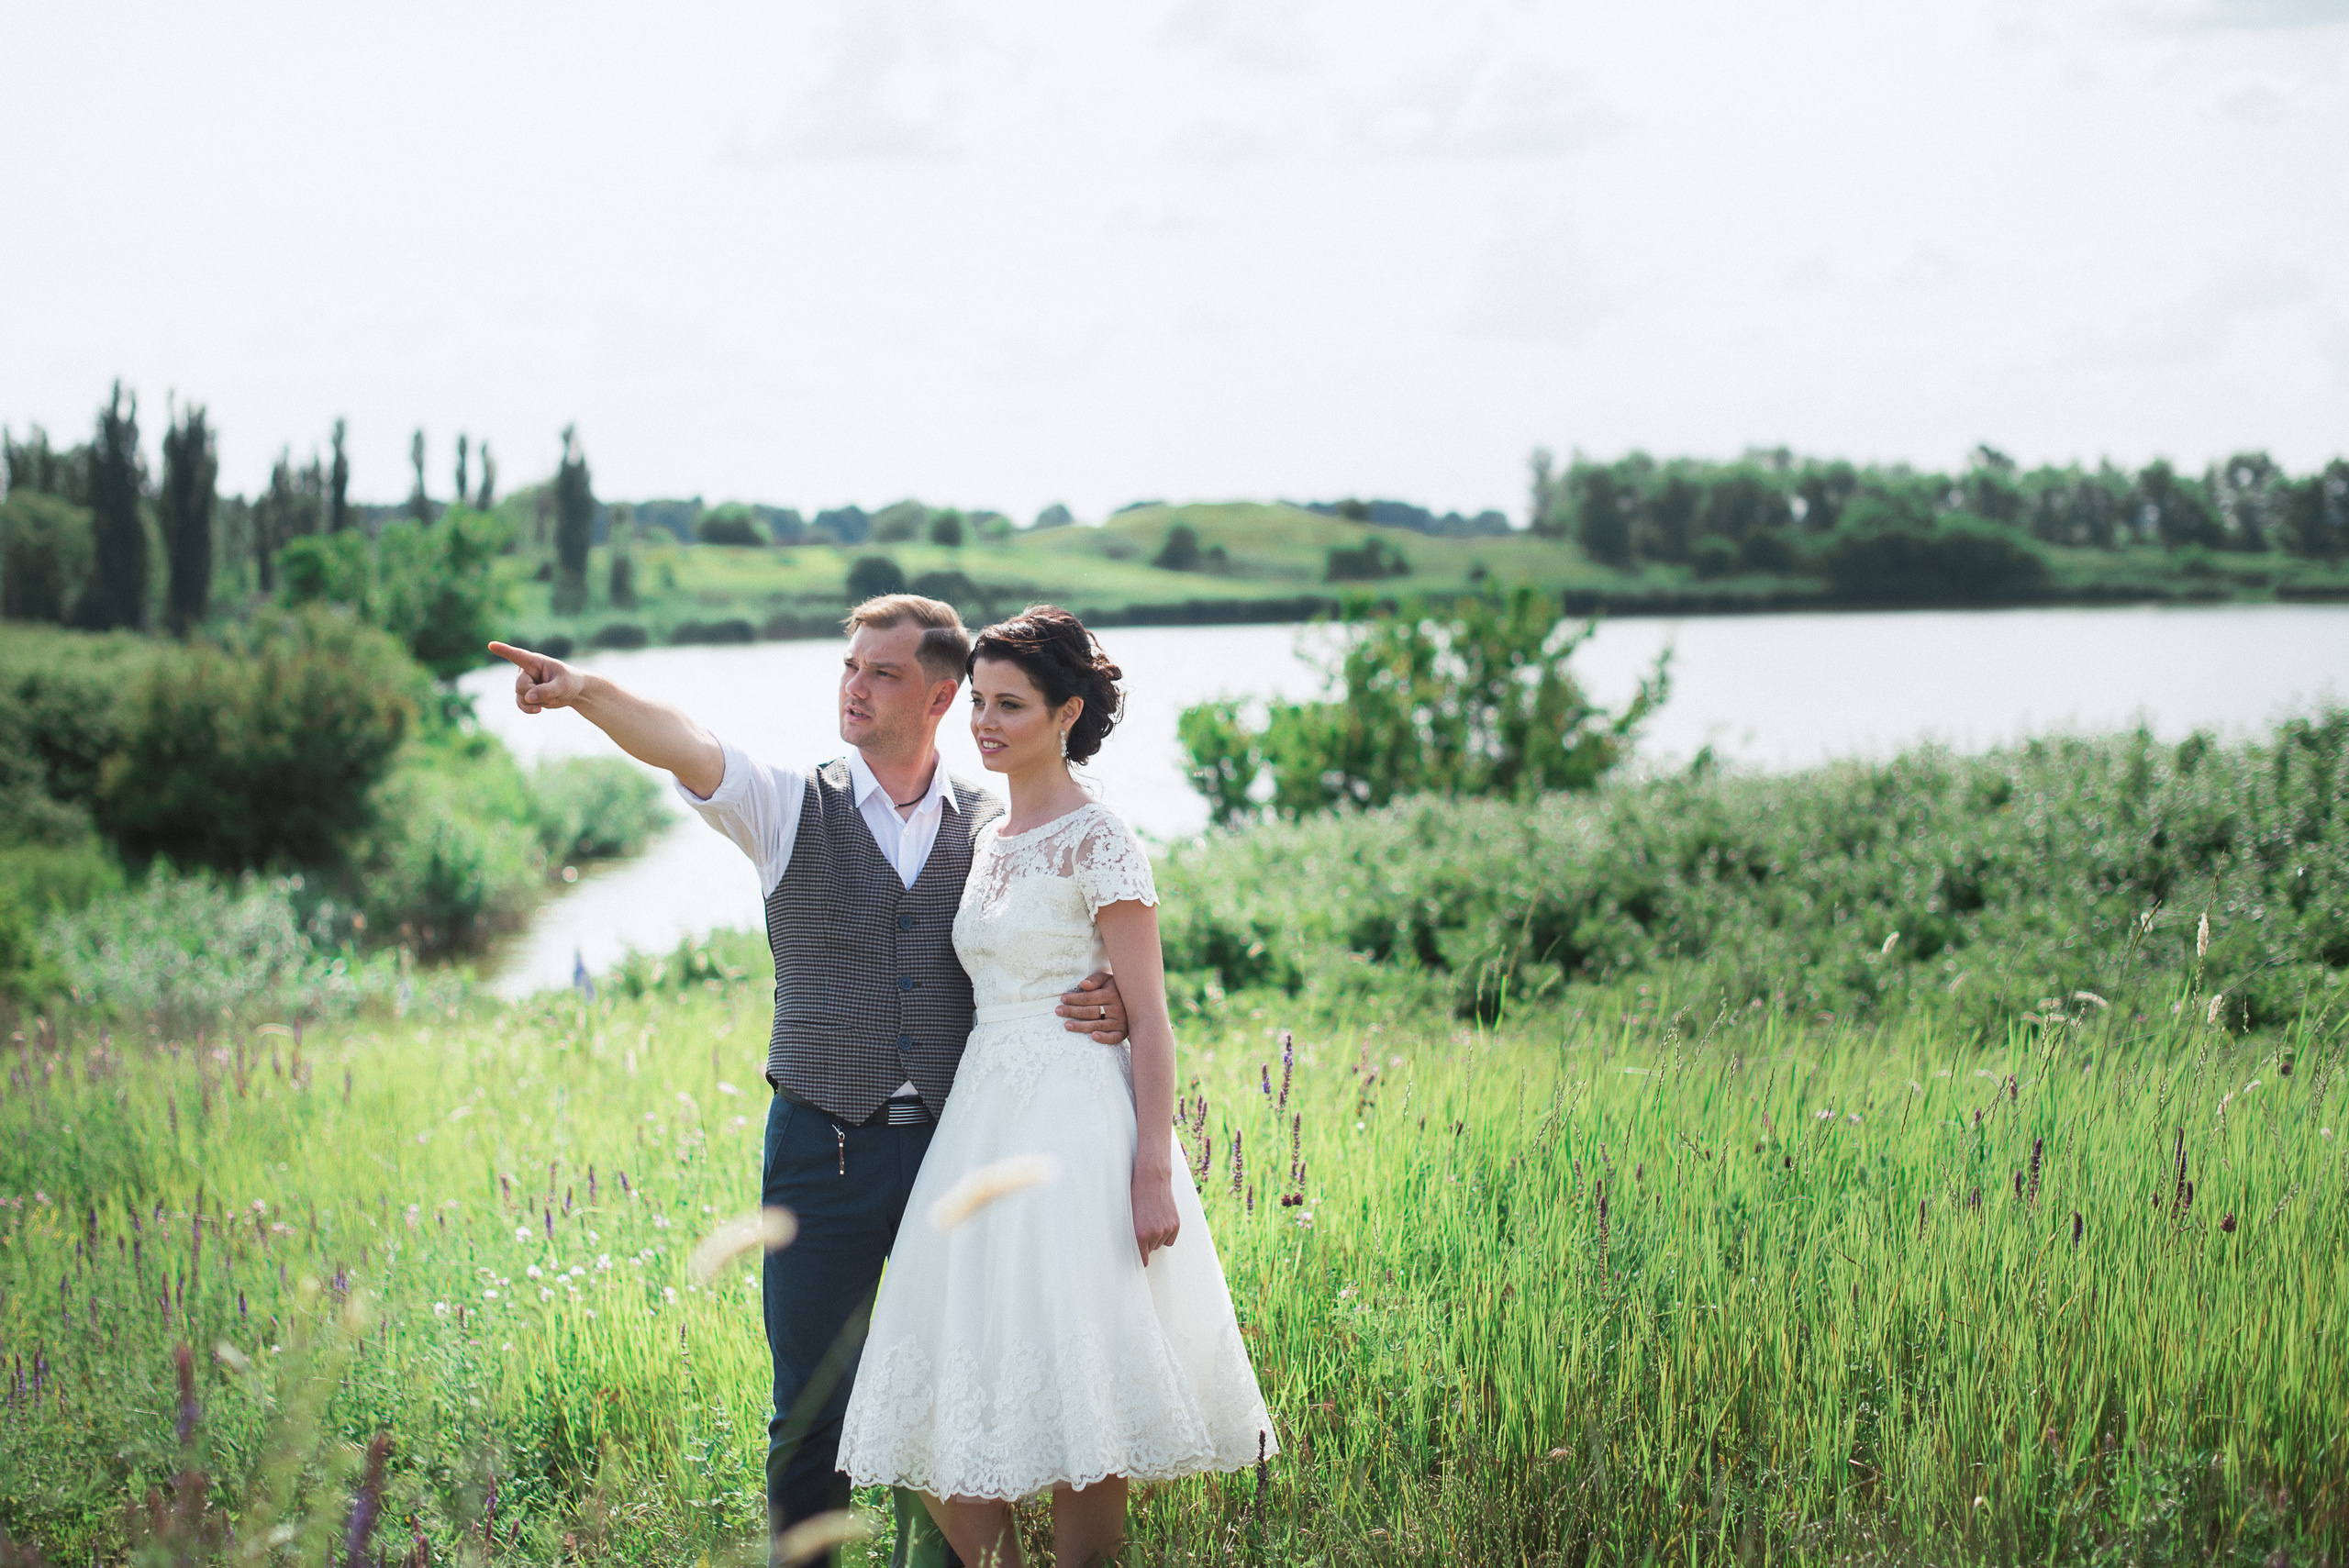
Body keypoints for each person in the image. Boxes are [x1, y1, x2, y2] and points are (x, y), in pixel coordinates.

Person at [486, 595, 1131, 1568]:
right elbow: (686, 742)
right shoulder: (789, 804)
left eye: (883, 672)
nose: (855, 687)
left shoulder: (996, 826)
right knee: (811, 1409)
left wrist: (1106, 994)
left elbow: (1062, 934)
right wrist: (582, 691)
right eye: (849, 667)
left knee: (952, 1393)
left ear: (941, 696)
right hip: (820, 1150)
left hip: (961, 1150)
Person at [836, 606, 1275, 1568]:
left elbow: (1151, 1014)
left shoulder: (1100, 837)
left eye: (1011, 704)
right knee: (943, 1370)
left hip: (1078, 1123)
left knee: (1087, 1385)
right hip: (981, 1124)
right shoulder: (987, 834)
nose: (984, 722)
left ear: (1066, 712)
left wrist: (1151, 1169)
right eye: (978, 701)